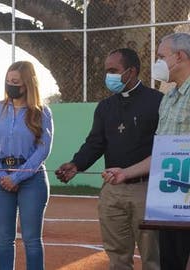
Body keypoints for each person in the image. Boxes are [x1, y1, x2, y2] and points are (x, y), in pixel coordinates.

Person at [55, 48, 162, 270]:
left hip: (147, 191)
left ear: (131, 72)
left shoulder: (157, 102)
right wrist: (76, 164)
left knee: (154, 259)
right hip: (112, 191)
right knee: (117, 259)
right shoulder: (105, 107)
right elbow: (96, 143)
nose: (108, 76)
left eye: (113, 70)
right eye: (106, 71)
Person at [103, 33, 190, 270]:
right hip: (171, 200)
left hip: (186, 200)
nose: (157, 63)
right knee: (170, 262)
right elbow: (163, 154)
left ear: (180, 56)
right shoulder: (169, 98)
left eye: (161, 56)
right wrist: (126, 173)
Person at [0, 61, 53, 270]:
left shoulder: (42, 112)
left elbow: (43, 150)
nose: (10, 85)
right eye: (7, 81)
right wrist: (0, 175)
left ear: (27, 85)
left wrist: (16, 177)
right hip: (0, 180)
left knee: (32, 240)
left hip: (32, 181)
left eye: (15, 82)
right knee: (4, 239)